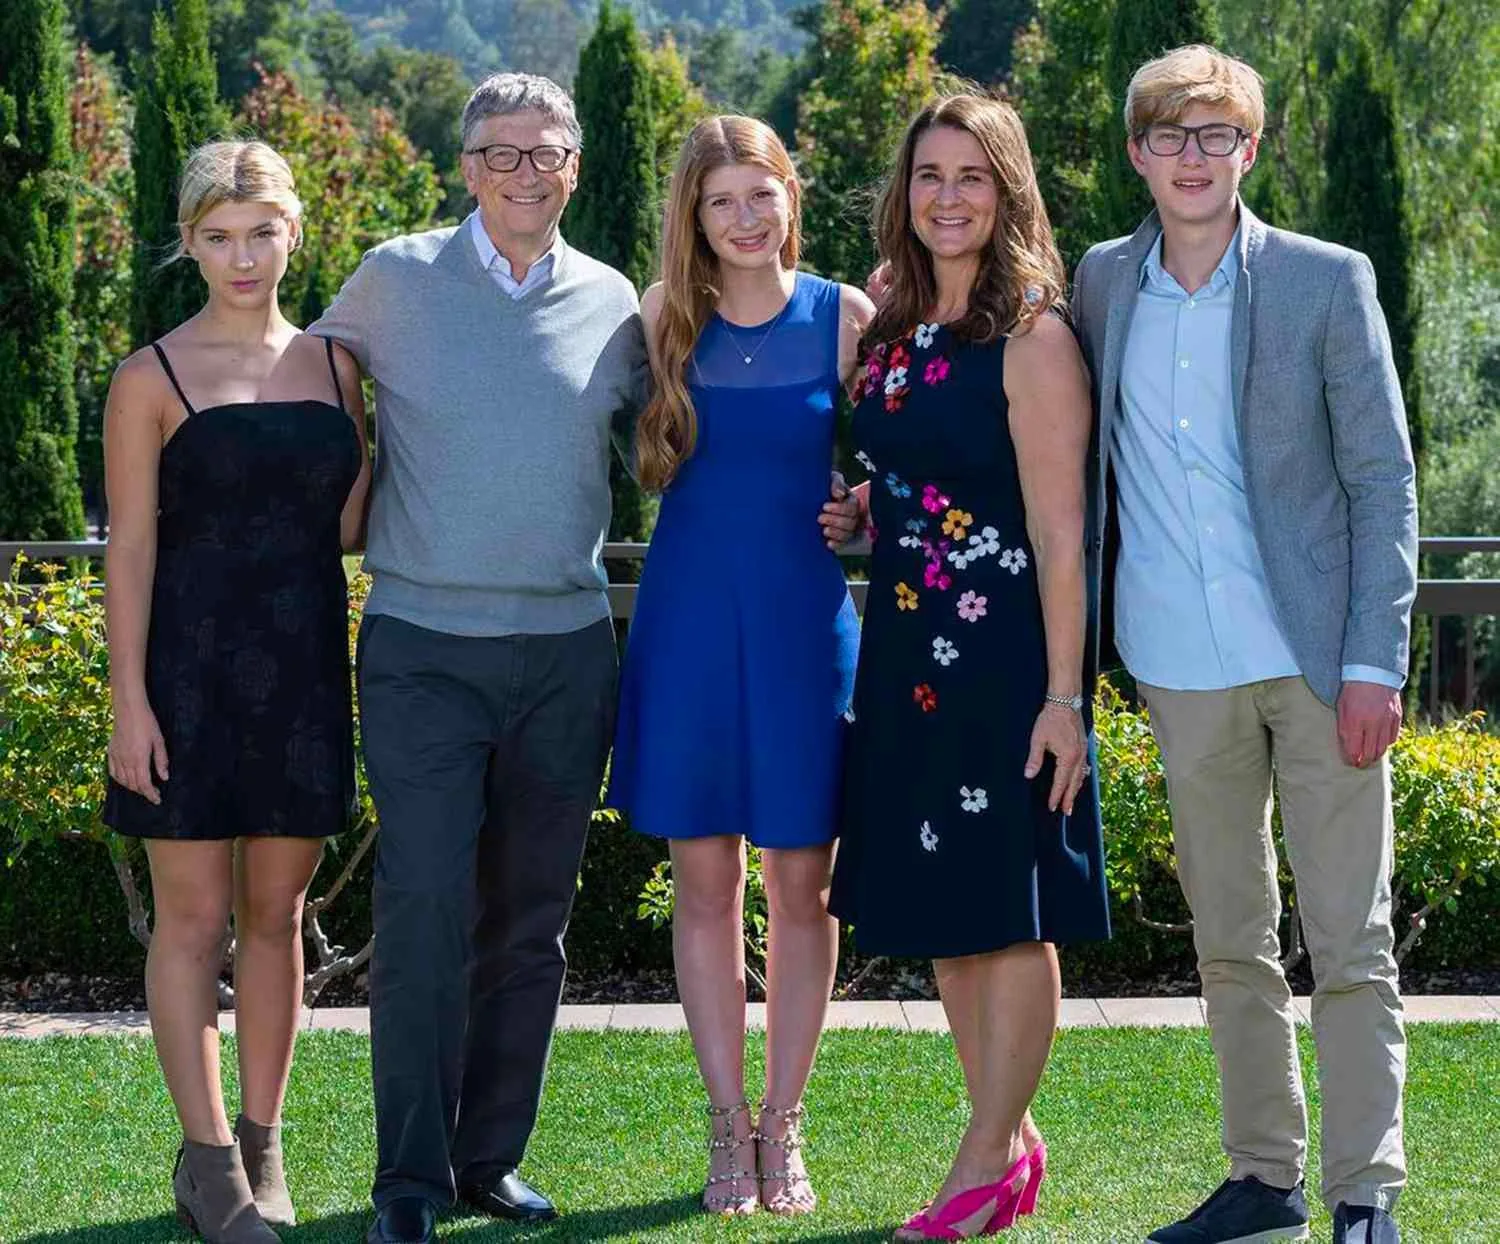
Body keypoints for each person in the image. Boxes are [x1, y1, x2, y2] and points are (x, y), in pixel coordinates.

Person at [1071, 45, 1417, 1244]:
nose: (1193, 156)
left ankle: (1365, 1190)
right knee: (1231, 939)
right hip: (1178, 662)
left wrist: (1377, 659)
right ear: (1138, 153)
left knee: (1351, 937)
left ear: (1251, 149)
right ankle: (1263, 1176)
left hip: (1322, 665)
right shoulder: (1103, 282)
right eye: (1170, 134)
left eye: (1217, 134)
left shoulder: (1328, 281)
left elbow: (1384, 477)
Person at [308, 73, 648, 1244]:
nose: (520, 172)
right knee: (422, 908)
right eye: (497, 153)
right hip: (419, 647)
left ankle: (487, 1159)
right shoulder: (392, 279)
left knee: (530, 921)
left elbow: (682, 438)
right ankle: (405, 1177)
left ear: (575, 166)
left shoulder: (614, 303)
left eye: (543, 152)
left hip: (565, 651)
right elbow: (301, 377)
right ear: (465, 168)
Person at [828, 93, 1111, 1240]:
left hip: (1001, 666)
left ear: (1009, 191)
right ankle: (1006, 1128)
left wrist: (1064, 698)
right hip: (903, 661)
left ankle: (985, 1154)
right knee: (948, 914)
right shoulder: (893, 325)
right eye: (929, 175)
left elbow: (1060, 533)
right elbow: (915, 478)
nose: (947, 197)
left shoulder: (1033, 336)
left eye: (972, 176)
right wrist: (865, 511)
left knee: (1011, 906)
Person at [103, 140, 370, 1243]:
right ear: (189, 243)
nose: (242, 254)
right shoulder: (147, 377)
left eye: (261, 230)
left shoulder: (337, 368)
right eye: (218, 235)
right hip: (186, 678)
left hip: (303, 672)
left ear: (293, 231)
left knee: (279, 916)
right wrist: (130, 699)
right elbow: (128, 549)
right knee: (192, 920)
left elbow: (349, 526)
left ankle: (264, 1142)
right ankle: (207, 1162)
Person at [608, 114, 873, 1218]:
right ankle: (725, 1121)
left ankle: (785, 1119)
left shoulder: (846, 315)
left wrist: (866, 506)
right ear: (695, 216)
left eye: (760, 194)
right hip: (687, 625)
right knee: (704, 882)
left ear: (789, 195)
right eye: (722, 201)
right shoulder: (664, 316)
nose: (746, 217)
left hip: (805, 622)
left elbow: (908, 464)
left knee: (802, 887)